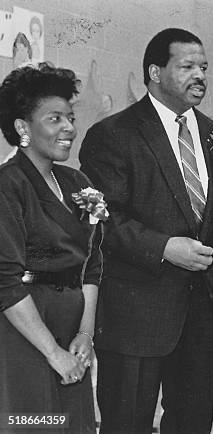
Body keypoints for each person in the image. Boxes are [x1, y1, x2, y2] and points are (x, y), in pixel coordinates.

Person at [79, 28, 213, 433]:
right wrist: (164, 247)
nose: (199, 75)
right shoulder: (113, 134)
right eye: (187, 66)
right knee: (127, 422)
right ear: (155, 71)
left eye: (203, 67)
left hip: (205, 314)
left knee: (192, 422)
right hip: (135, 315)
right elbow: (100, 217)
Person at [0, 64, 104, 433]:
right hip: (25, 334)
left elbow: (90, 266)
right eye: (55, 118)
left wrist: (84, 336)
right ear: (22, 128)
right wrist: (53, 353)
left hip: (72, 334)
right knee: (35, 423)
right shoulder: (8, 186)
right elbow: (6, 282)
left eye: (71, 118)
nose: (69, 128)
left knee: (74, 425)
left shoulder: (77, 182)